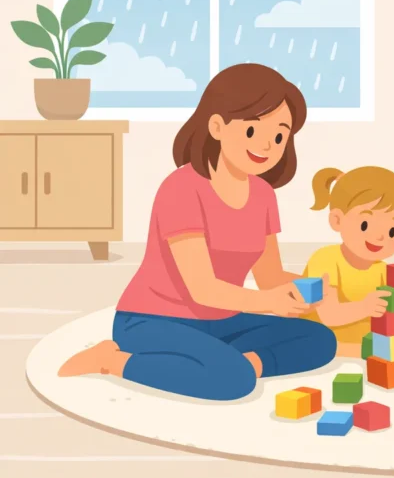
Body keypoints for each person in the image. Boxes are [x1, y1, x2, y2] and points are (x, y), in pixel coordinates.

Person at [57, 65, 337, 400]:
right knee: (232, 382)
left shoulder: (262, 195)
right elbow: (202, 288)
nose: (267, 145)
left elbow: (269, 275)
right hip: (153, 320)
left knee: (320, 339)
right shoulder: (182, 188)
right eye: (252, 130)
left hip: (221, 321)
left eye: (279, 136)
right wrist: (267, 303)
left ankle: (238, 364)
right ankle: (113, 360)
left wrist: (313, 290)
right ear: (217, 126)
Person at [301, 166, 394, 357]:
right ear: (337, 220)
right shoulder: (325, 259)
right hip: (322, 328)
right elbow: (329, 315)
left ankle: (384, 347)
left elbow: (391, 310)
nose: (380, 237)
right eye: (365, 224)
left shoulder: (382, 269)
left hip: (363, 327)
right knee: (322, 341)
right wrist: (365, 307)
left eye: (392, 231)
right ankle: (368, 350)